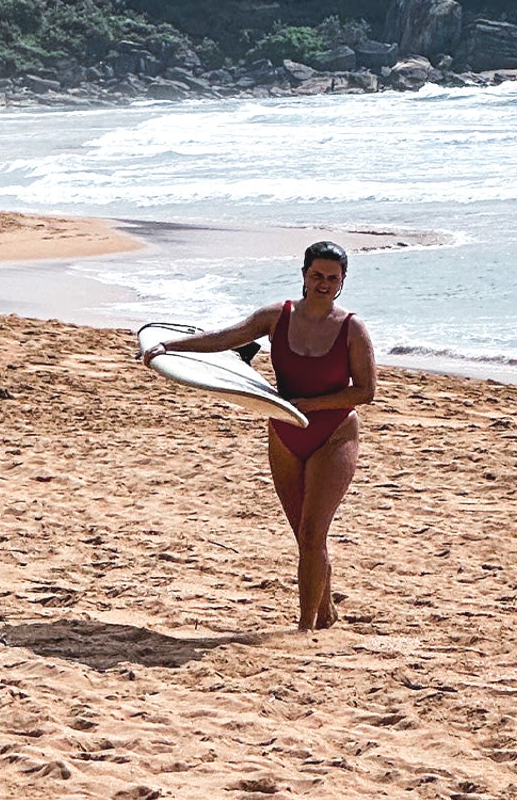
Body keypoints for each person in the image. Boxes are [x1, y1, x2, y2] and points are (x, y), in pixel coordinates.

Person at [140, 241, 376, 630]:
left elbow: (365, 392)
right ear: (303, 274)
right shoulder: (276, 317)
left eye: (332, 278)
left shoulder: (352, 328)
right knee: (305, 535)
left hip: (333, 433)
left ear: (343, 282)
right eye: (317, 275)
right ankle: (325, 611)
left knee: (314, 532)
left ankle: (303, 628)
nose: (323, 284)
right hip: (284, 431)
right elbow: (225, 339)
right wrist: (169, 347)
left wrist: (307, 406)